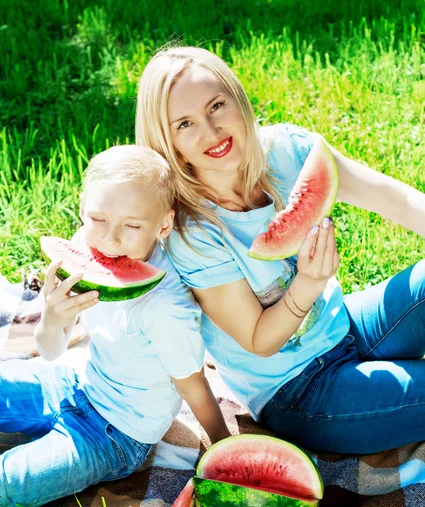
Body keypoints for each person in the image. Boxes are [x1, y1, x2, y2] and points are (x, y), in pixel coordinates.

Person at [135, 45, 425, 455]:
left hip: (345, 326)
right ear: (169, 142)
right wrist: (307, 283)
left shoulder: (289, 151)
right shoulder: (192, 231)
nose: (211, 130)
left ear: (238, 97)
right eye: (185, 123)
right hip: (297, 392)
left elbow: (395, 200)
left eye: (216, 105)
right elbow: (258, 340)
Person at [0, 144, 230, 507]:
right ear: (82, 207)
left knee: (1, 482)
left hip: (116, 437)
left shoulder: (165, 309)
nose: (109, 239)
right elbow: (52, 350)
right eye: (98, 218)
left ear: (164, 225)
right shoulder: (83, 249)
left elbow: (192, 384)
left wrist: (226, 450)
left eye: (132, 225)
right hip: (73, 382)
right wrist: (53, 318)